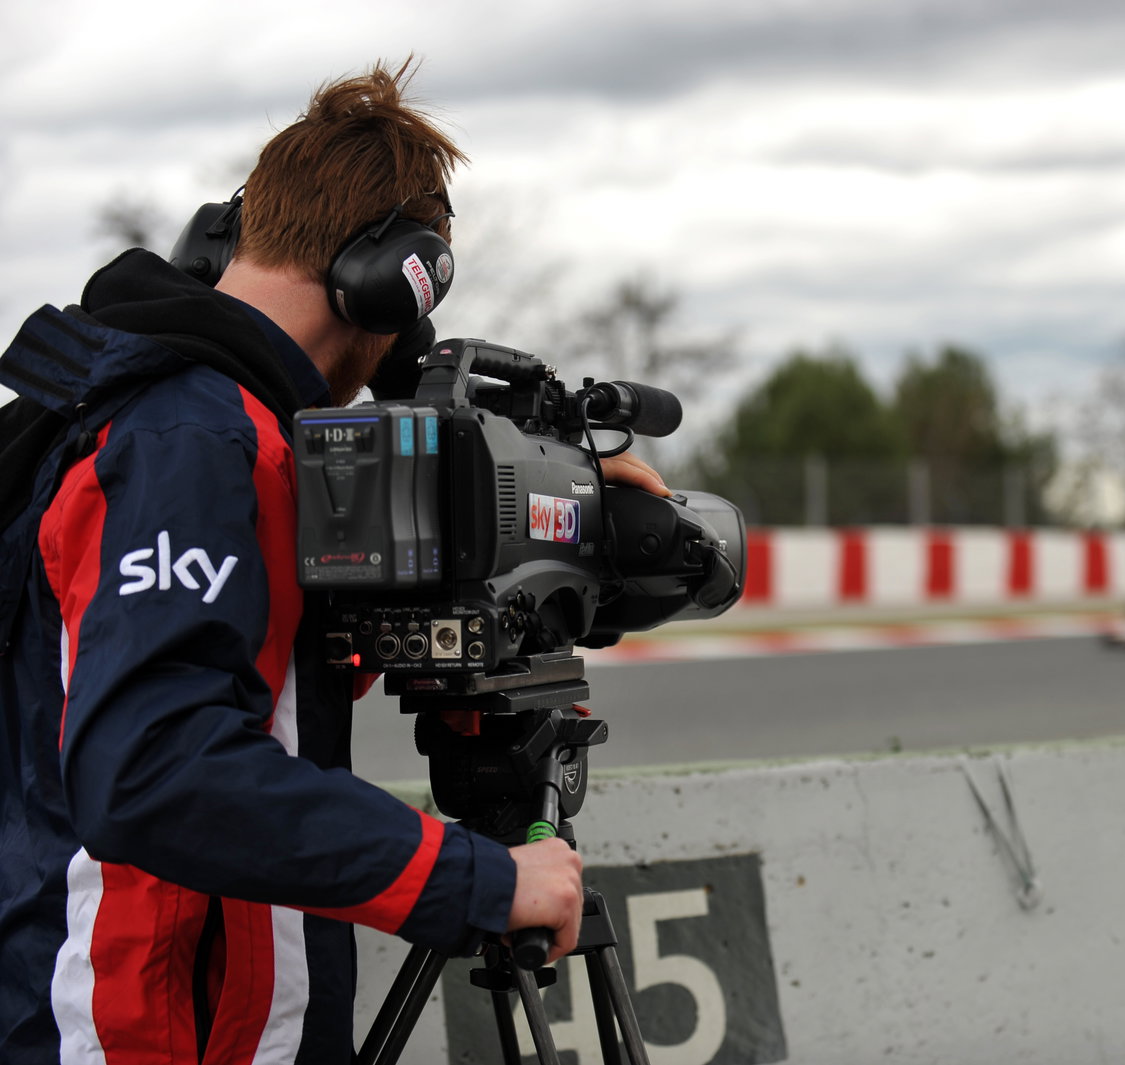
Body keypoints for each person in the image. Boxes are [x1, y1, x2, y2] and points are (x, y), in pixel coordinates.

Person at [0, 59, 668, 1064]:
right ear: (391, 277)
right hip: (135, 1032)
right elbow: (154, 769)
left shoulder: (232, 427)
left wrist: (562, 496)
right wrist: (479, 882)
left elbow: (262, 662)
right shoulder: (190, 442)